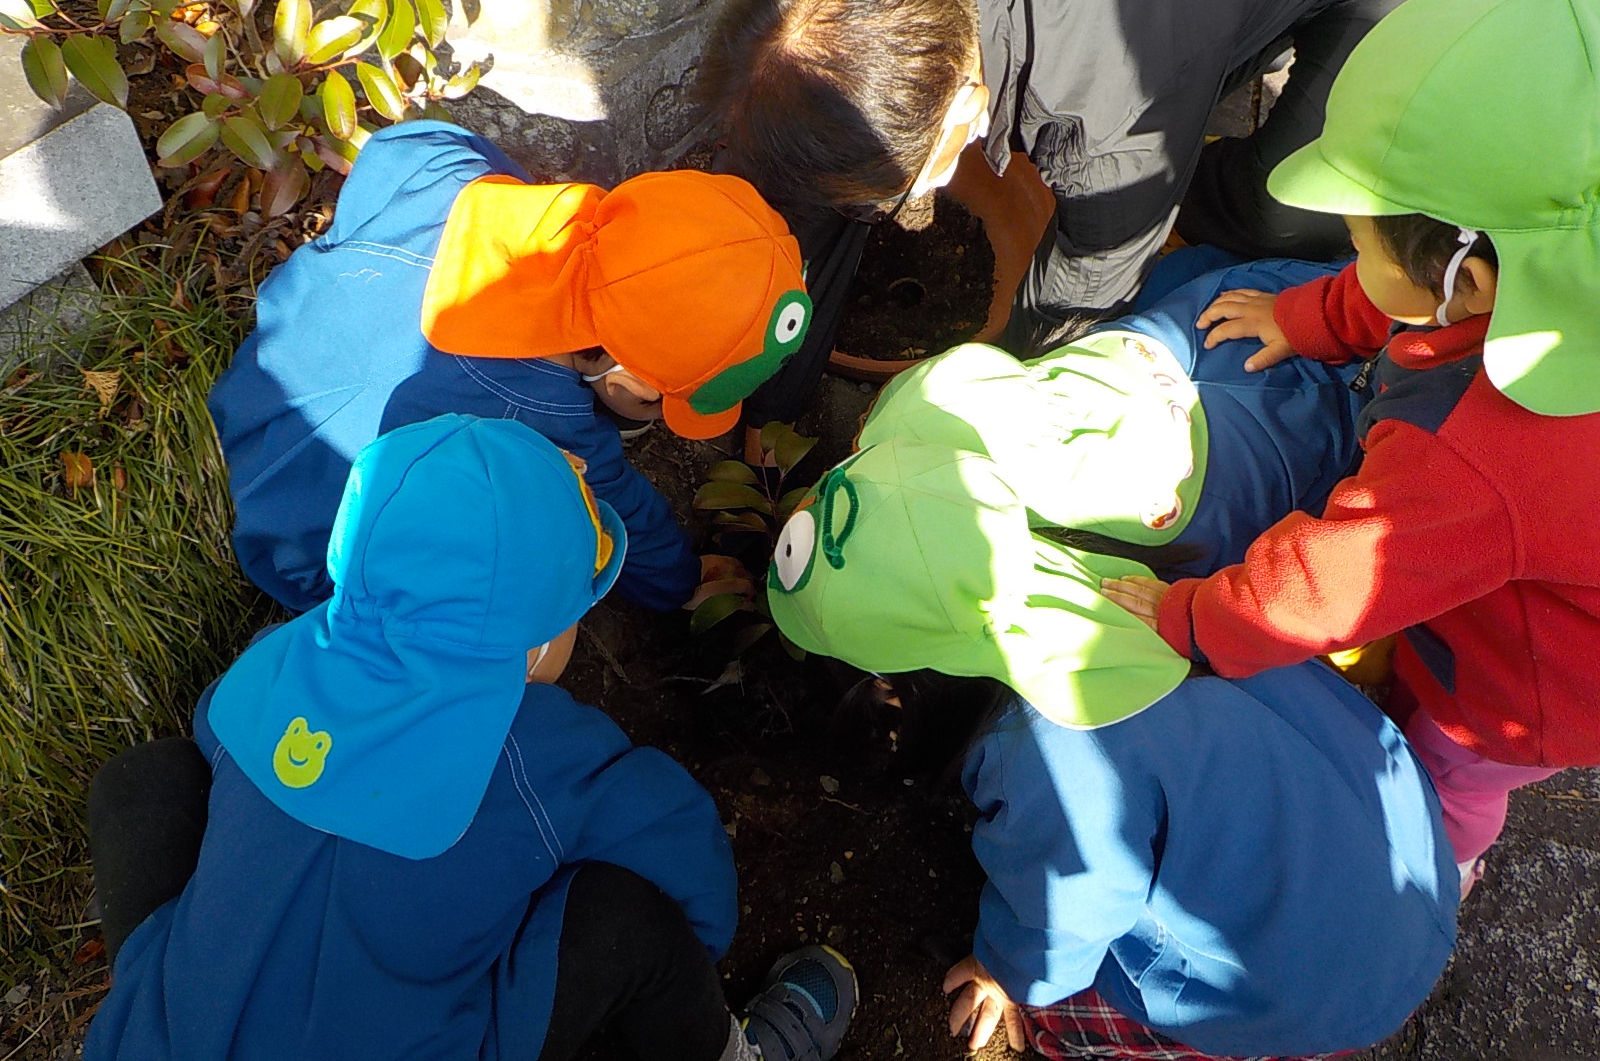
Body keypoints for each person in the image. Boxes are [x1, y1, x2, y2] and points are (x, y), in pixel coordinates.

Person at [83, 414, 857, 1061]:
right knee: (626, 922)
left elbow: (214, 728)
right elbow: (679, 849)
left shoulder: (273, 665)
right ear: (534, 647)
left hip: (154, 1043)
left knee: (141, 783)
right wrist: (699, 940)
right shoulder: (535, 752)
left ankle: (180, 982)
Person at [696, 0, 1540, 428]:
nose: (911, 209)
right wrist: (770, 382)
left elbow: (1081, 288)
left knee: (1295, 203)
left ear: (966, 107)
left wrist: (975, 399)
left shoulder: (1108, 103)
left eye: (913, 186)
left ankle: (1203, 193)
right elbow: (815, 136)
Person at [1101, 0, 1600, 894]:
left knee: (1448, 767)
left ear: (1470, 283)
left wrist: (1193, 617)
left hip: (1527, 684)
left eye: (1358, 243)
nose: (1353, 254)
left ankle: (1441, 870)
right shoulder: (1553, 259)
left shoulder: (1472, 453)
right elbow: (1413, 289)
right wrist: (1309, 318)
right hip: (1534, 565)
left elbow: (1324, 590)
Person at [764, 438, 1457, 1059]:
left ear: (892, 686)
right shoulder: (1092, 569)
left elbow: (1068, 909)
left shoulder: (1042, 758)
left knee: (1063, 1019)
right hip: (1404, 845)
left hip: (1327, 986)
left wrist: (1008, 971)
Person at [209, 120, 812, 615]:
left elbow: (398, 146)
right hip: (307, 550)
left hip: (257, 385)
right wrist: (681, 583)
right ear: (626, 381)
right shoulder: (540, 423)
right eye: (660, 402)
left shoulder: (450, 173)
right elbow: (619, 513)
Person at [853, 252, 1369, 580]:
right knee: (1180, 271)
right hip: (1291, 300)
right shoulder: (1096, 348)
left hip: (1341, 433)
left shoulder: (1182, 549)